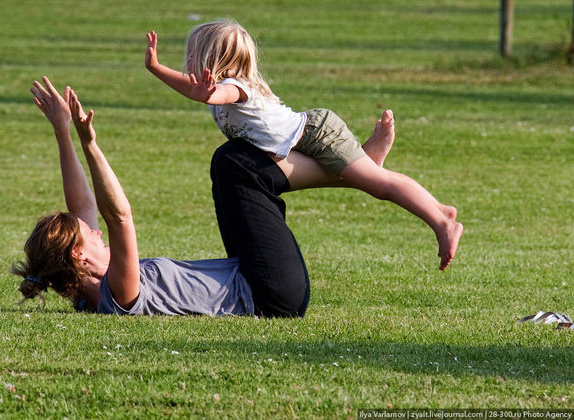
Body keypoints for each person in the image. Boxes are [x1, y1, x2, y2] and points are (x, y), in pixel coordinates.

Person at [12, 77, 402, 317]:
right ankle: (359, 170)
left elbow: (82, 206)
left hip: (252, 274)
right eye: (88, 235)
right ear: (79, 257)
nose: (95, 231)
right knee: (234, 164)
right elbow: (120, 217)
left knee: (232, 165)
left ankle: (359, 169)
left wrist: (63, 133)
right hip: (271, 296)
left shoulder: (88, 295)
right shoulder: (118, 292)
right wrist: (90, 144)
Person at [145, 18, 463, 269]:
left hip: (316, 136)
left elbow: (208, 94)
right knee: (374, 177)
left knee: (380, 185)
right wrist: (165, 73)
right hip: (303, 142)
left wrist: (163, 71)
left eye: (191, 54)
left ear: (211, 59)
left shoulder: (232, 87)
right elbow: (200, 93)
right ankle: (426, 199)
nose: (186, 61)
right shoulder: (226, 88)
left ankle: (440, 223)